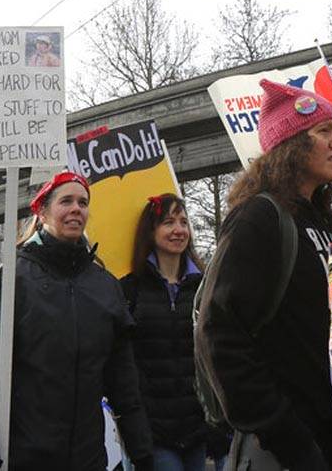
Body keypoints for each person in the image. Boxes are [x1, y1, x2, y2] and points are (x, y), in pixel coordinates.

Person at [197, 81, 332, 470]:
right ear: (291, 145)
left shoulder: (330, 222)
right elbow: (218, 334)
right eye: (323, 132)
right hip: (295, 449)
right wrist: (286, 435)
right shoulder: (259, 219)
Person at [0, 170, 154, 471]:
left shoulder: (105, 286)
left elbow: (123, 380)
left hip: (88, 458)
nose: (77, 208)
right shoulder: (11, 278)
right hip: (23, 457)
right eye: (66, 201)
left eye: (83, 202)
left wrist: (141, 451)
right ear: (42, 211)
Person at [118, 194, 209, 471]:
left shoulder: (206, 287)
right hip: (154, 434)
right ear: (151, 231)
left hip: (203, 431)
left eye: (183, 222)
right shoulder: (129, 290)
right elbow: (123, 364)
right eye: (168, 222)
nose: (179, 230)